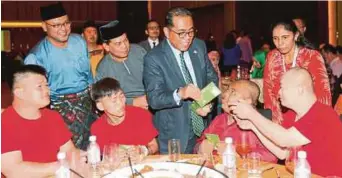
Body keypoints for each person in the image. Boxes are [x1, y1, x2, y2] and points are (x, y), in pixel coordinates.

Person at [230, 67, 342, 176]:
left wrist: (251, 113)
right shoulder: (291, 115)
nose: (278, 92)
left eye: (282, 87)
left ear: (300, 89)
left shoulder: (322, 114)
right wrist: (252, 126)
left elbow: (284, 139)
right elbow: (283, 153)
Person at [143, 7, 218, 153]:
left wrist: (206, 102)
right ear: (166, 32)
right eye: (181, 33)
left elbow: (212, 78)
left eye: (191, 31)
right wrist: (181, 93)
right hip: (174, 134)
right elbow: (154, 99)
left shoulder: (199, 46)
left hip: (204, 129)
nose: (188, 37)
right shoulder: (154, 58)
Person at [24, 2, 96, 150]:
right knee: (67, 154)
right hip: (58, 108)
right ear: (44, 26)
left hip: (87, 104)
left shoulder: (79, 41)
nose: (63, 29)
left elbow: (89, 76)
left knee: (93, 148)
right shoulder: (36, 56)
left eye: (66, 23)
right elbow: (32, 97)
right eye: (56, 25)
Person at [1, 65, 82, 177]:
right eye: (39, 87)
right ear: (19, 93)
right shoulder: (5, 122)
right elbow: (14, 171)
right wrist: (59, 167)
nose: (47, 90)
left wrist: (82, 157)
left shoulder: (52, 116)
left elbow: (69, 151)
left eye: (47, 85)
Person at [263, 19, 331, 123]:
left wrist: (315, 122)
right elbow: (268, 90)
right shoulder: (272, 56)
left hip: (308, 117)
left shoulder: (311, 56)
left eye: (285, 37)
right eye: (275, 39)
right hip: (280, 118)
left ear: (296, 35)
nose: (280, 43)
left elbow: (323, 93)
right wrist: (273, 122)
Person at [196, 80, 277, 163]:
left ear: (247, 101)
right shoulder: (219, 119)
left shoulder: (255, 123)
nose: (224, 95)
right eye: (227, 90)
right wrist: (201, 147)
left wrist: (239, 155)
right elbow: (199, 142)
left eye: (233, 92)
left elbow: (273, 155)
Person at [90, 77, 159, 155]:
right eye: (114, 100)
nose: (120, 103)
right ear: (100, 106)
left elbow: (154, 146)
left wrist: (143, 151)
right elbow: (104, 158)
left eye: (122, 96)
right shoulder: (97, 128)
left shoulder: (139, 115)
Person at [95, 20, 148, 110]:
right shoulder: (103, 69)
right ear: (106, 47)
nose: (125, 46)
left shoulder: (139, 51)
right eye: (118, 43)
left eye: (126, 40)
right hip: (124, 108)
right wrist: (132, 102)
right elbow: (106, 99)